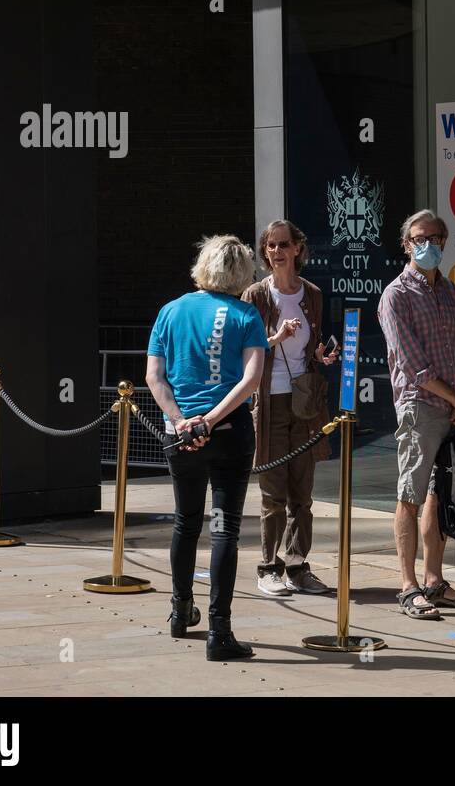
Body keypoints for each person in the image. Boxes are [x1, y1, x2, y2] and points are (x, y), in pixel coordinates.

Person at [146, 235, 267, 661]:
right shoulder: (246, 314)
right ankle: (220, 632)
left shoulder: (171, 311)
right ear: (242, 272)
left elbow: (154, 377)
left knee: (186, 522)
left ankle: (180, 612)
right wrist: (212, 421)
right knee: (224, 530)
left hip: (181, 434)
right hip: (230, 430)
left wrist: (183, 422)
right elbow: (251, 380)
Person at [377, 209, 455, 619]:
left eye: (436, 238)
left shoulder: (447, 289)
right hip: (419, 407)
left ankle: (435, 579)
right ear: (406, 244)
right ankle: (408, 587)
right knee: (410, 494)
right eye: (419, 238)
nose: (429, 245)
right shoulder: (396, 296)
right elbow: (413, 367)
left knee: (438, 497)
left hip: (454, 408)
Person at [242, 220, 339, 597]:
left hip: (305, 399)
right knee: (273, 492)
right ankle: (269, 567)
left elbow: (310, 348)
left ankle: (298, 566)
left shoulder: (312, 294)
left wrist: (320, 355)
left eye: (284, 244)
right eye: (270, 246)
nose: (277, 252)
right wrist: (277, 337)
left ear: (298, 248)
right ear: (265, 252)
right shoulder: (256, 295)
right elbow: (246, 349)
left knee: (303, 491)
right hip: (268, 401)